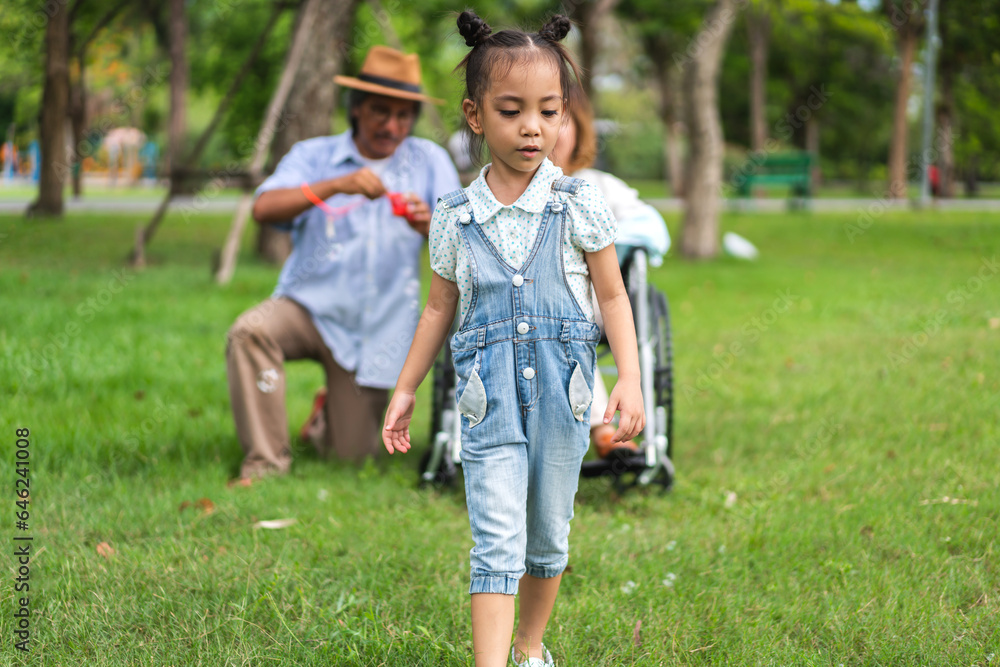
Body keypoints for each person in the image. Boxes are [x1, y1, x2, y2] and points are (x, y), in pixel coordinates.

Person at [381, 12, 644, 667]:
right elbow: (438, 309)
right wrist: (406, 387)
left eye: (549, 110)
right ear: (475, 116)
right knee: (496, 539)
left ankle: (530, 647)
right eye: (512, 110)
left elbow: (613, 295)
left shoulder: (579, 203)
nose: (534, 126)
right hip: (487, 404)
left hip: (565, 400)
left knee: (548, 536)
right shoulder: (455, 216)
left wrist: (631, 379)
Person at [226, 45, 461, 482]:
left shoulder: (429, 161)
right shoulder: (313, 155)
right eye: (379, 112)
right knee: (249, 332)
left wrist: (430, 226)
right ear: (355, 109)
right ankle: (264, 464)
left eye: (403, 115)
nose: (391, 126)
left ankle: (325, 416)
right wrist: (335, 185)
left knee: (352, 459)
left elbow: (464, 240)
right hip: (307, 308)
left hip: (376, 329)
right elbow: (264, 208)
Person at [549, 82, 671, 459]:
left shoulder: (597, 186)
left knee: (572, 320)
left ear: (579, 130)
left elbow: (653, 229)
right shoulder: (502, 190)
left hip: (592, 306)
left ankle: (603, 429)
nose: (547, 130)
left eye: (559, 119)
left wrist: (601, 244)